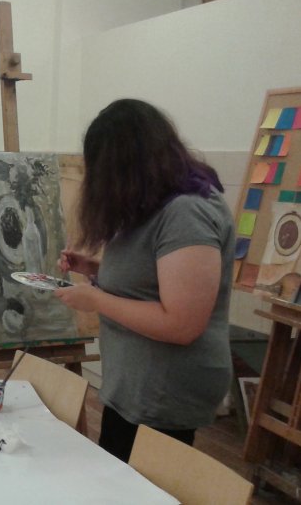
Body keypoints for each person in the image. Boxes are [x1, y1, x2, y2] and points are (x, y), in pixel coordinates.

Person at [54, 99, 234, 462]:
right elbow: (153, 279)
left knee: (134, 485)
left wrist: (96, 300)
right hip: (135, 386)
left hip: (164, 391)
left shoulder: (187, 212)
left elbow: (182, 324)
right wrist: (95, 269)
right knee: (114, 475)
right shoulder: (152, 202)